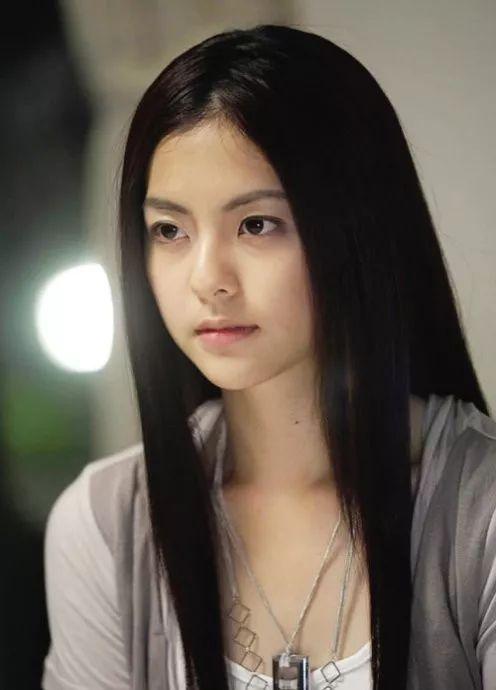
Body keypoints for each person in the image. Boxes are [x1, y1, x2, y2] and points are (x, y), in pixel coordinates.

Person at [41, 24, 496, 690]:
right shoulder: (107, 525)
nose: (207, 279)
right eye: (169, 230)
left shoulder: (479, 512)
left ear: (356, 227)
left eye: (256, 224)